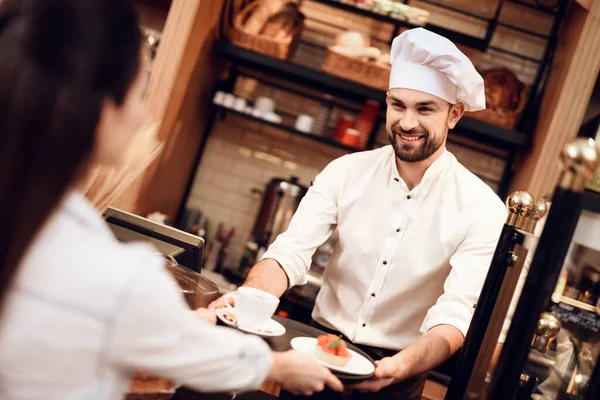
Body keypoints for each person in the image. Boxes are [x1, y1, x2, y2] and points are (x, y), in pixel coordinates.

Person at [0, 1, 342, 399]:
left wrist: (168, 326)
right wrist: (280, 366)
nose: (144, 118)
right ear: (99, 110)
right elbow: (192, 352)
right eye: (138, 94)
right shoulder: (117, 274)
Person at [210, 28, 507, 399]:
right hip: (316, 356)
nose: (407, 122)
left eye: (425, 108)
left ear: (454, 115)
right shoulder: (346, 171)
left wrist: (399, 367)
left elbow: (455, 315)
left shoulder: (483, 209)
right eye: (398, 105)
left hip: (399, 376)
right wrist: (250, 298)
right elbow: (290, 253)